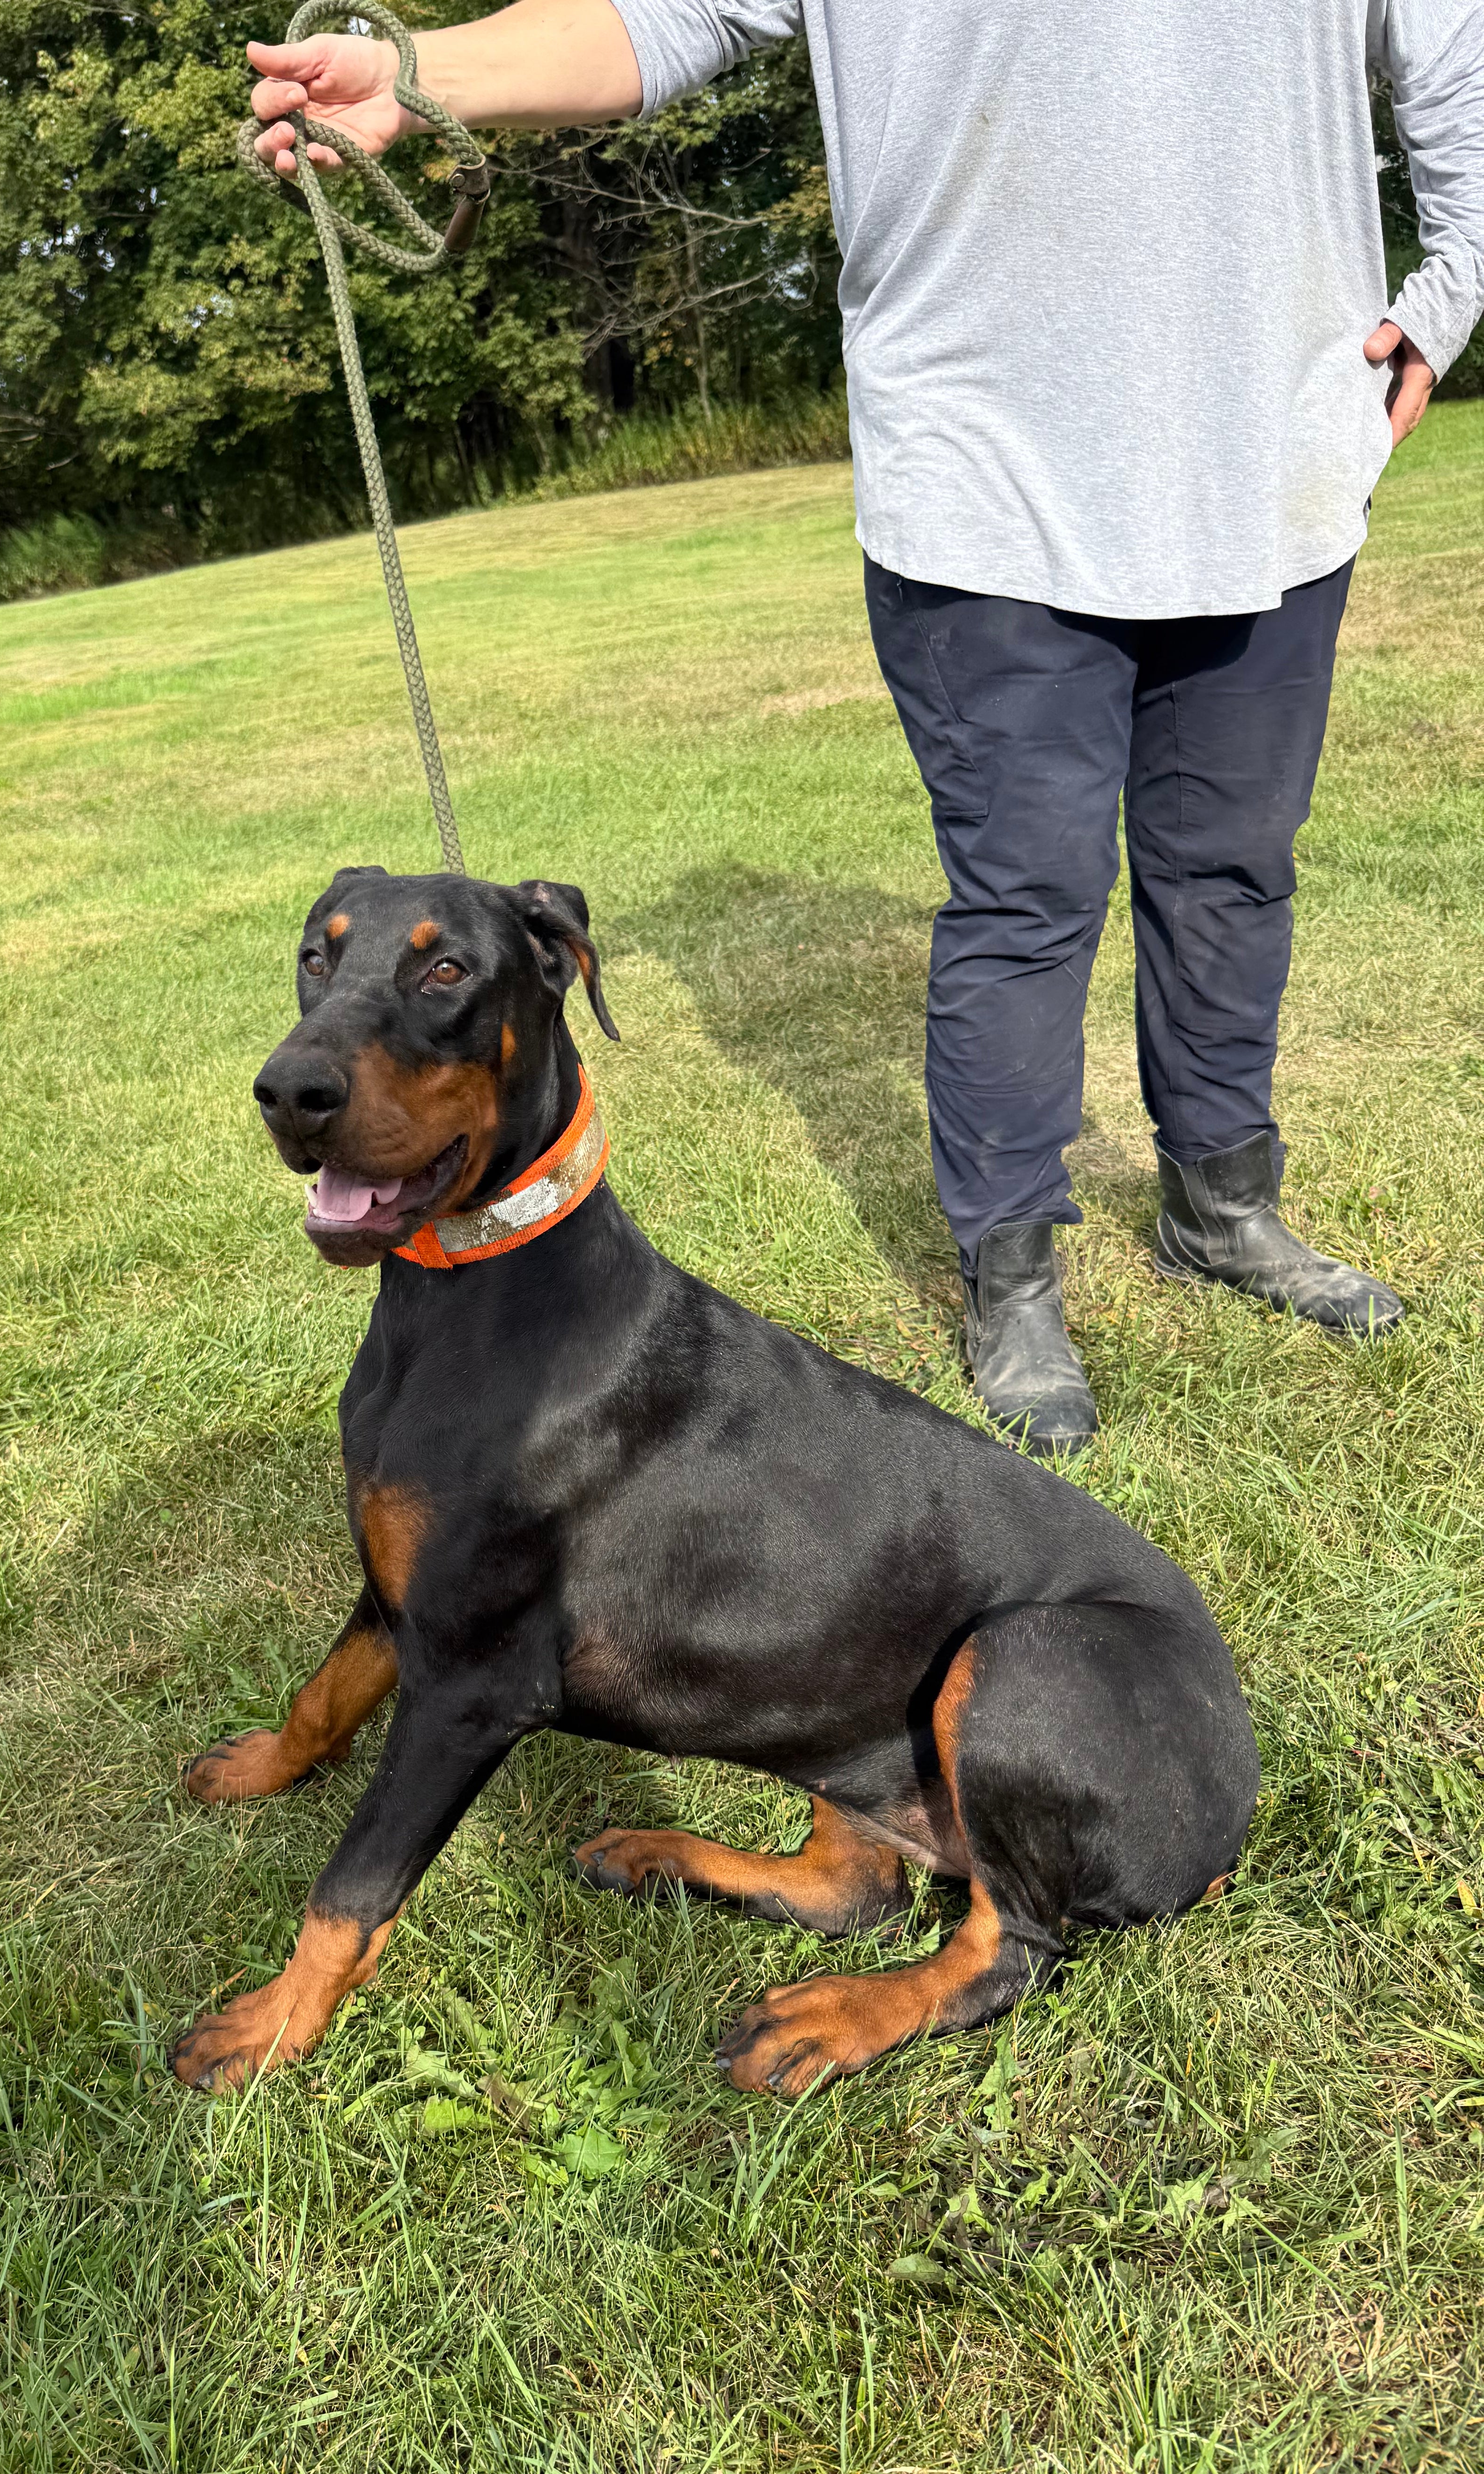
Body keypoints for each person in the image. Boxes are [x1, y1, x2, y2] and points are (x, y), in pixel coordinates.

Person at [247, 0, 1484, 1454]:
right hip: (983, 478)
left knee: (1229, 868)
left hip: (1269, 454)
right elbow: (660, 22)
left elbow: (1452, 55)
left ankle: (1223, 1210)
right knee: (1027, 896)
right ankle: (1012, 1275)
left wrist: (1451, 284)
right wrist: (408, 74)